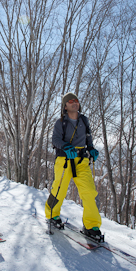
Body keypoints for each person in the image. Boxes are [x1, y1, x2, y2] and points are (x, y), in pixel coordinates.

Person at [45, 92, 103, 240]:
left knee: (89, 191)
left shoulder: (84, 120)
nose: (74, 103)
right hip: (64, 160)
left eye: (76, 100)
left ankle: (91, 225)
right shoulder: (60, 122)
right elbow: (55, 140)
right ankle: (52, 214)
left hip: (82, 161)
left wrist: (91, 149)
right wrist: (66, 147)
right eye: (70, 101)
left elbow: (88, 138)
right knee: (59, 189)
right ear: (65, 106)